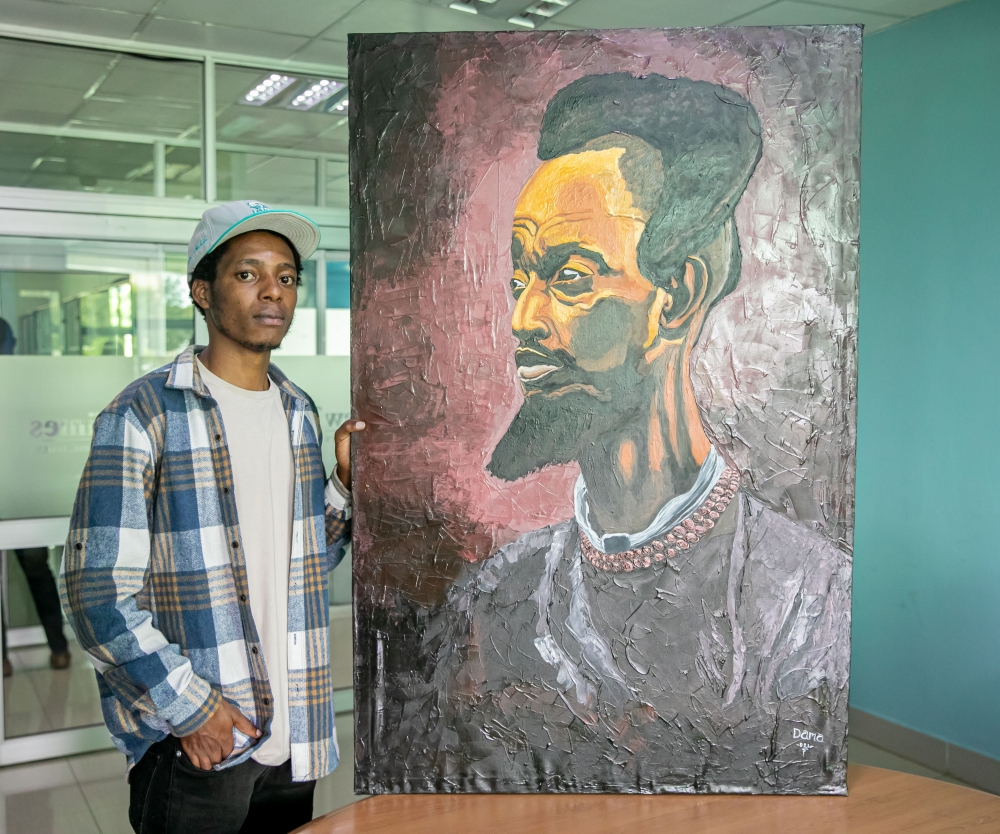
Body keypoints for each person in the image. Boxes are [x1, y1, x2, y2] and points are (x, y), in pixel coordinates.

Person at [399, 74, 851, 794]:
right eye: (520, 281)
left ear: (679, 295)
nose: (523, 320)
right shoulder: (497, 594)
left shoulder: (808, 598)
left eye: (570, 277)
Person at [60, 200, 365, 833]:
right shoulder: (144, 414)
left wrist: (342, 483)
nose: (273, 291)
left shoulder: (298, 411)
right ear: (203, 292)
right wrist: (192, 709)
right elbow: (96, 595)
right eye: (248, 274)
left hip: (294, 732)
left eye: (286, 276)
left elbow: (309, 562)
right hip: (201, 743)